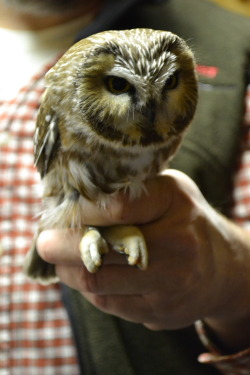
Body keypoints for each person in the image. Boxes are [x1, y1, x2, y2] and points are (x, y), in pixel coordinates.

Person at [1, 0, 250, 374]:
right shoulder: (63, 93)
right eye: (118, 85)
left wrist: (231, 279)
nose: (148, 111)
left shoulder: (233, 48)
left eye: (170, 85)